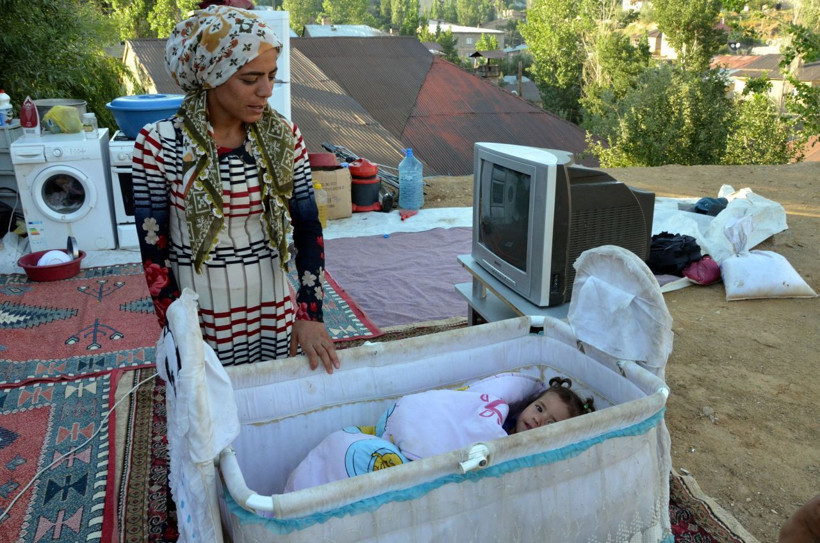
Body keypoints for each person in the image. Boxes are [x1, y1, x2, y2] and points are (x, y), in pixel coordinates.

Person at [131, 5, 339, 373]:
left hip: (270, 307)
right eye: (250, 79)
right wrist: (178, 328)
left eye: (272, 76)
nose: (266, 91)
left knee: (268, 403)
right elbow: (155, 256)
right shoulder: (159, 145)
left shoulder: (284, 140)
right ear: (211, 75)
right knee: (209, 410)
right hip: (202, 315)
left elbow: (308, 229)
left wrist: (308, 313)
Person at [503, 376, 596, 434]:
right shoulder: (501, 422)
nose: (537, 419)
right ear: (530, 403)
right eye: (539, 408)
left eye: (550, 423)